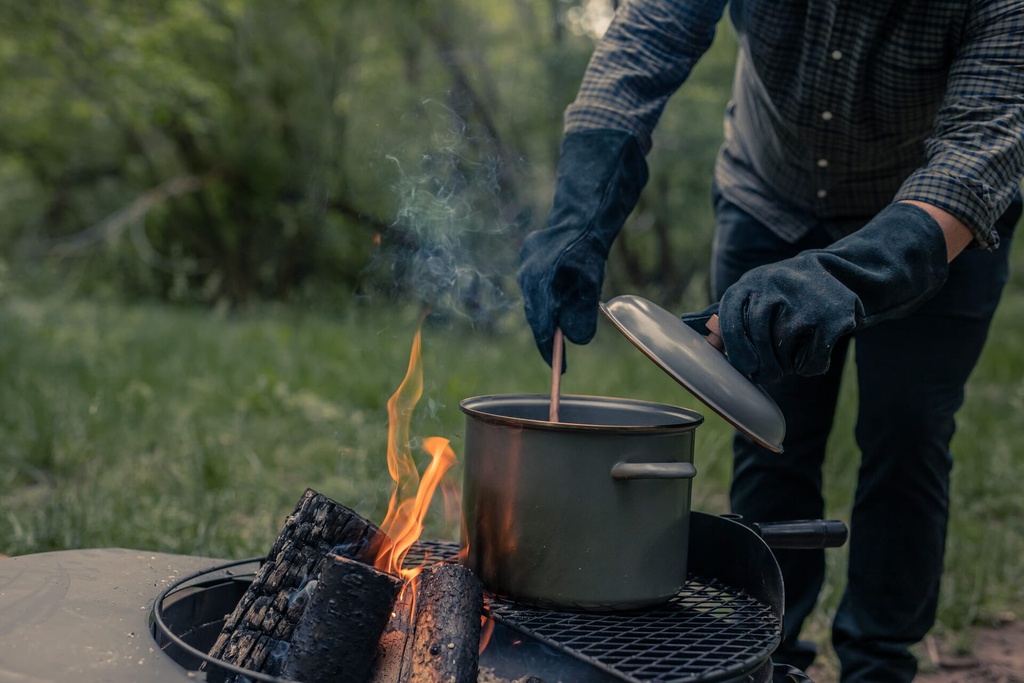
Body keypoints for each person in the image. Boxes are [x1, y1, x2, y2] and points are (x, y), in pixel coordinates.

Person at [515, 2, 1024, 682]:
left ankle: (879, 662)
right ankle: (766, 656)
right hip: (769, 194)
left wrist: (842, 275)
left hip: (933, 222)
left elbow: (973, 164)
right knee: (768, 441)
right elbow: (645, 41)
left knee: (908, 434)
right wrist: (580, 212)